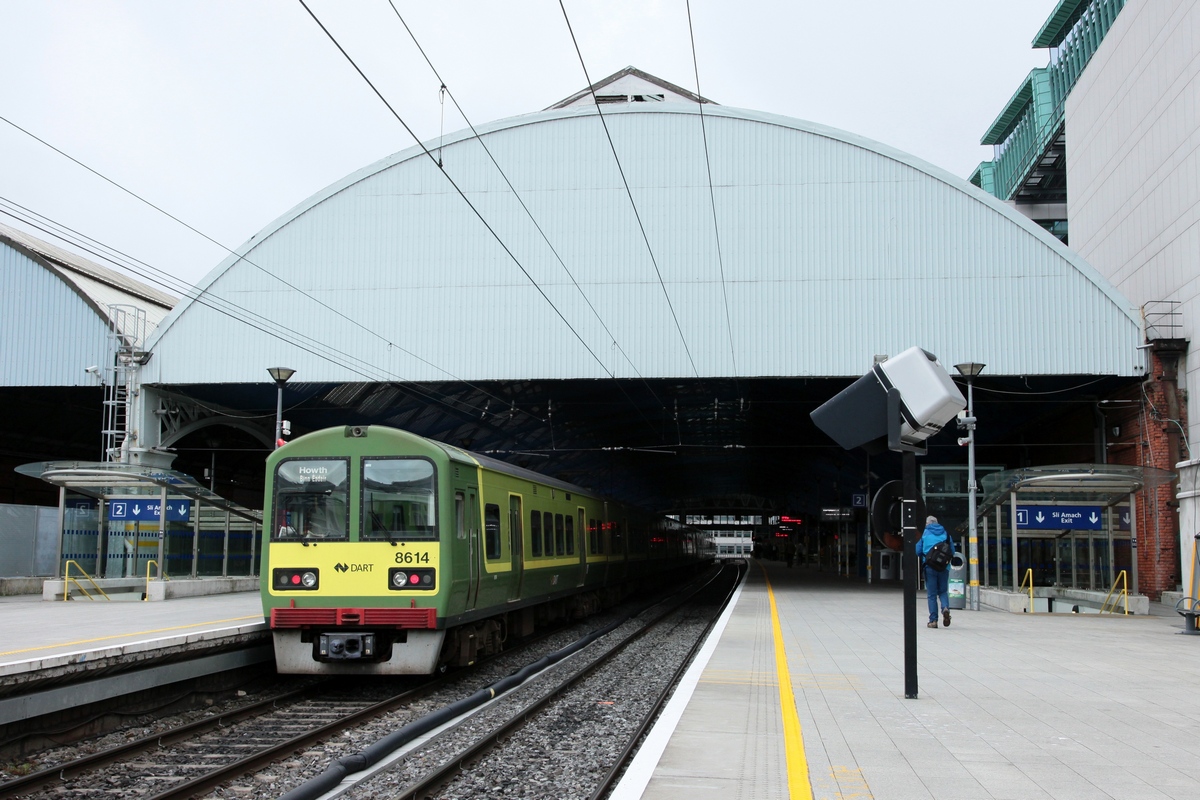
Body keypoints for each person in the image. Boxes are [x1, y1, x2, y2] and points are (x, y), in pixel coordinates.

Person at [918, 515, 955, 628]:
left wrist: (925, 556)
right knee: (943, 591)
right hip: (944, 568)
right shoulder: (946, 534)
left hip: (930, 567)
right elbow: (952, 551)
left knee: (932, 594)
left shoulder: (924, 534)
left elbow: (918, 550)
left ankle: (933, 621)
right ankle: (945, 608)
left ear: (927, 524)